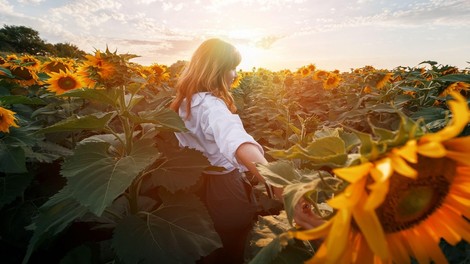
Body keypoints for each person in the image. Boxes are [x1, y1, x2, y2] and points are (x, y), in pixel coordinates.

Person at [170, 38, 321, 264]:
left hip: (191, 188)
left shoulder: (182, 103)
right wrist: (284, 190)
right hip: (224, 189)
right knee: (234, 246)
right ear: (216, 69)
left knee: (204, 250)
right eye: (232, 68)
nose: (235, 74)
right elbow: (238, 142)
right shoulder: (212, 106)